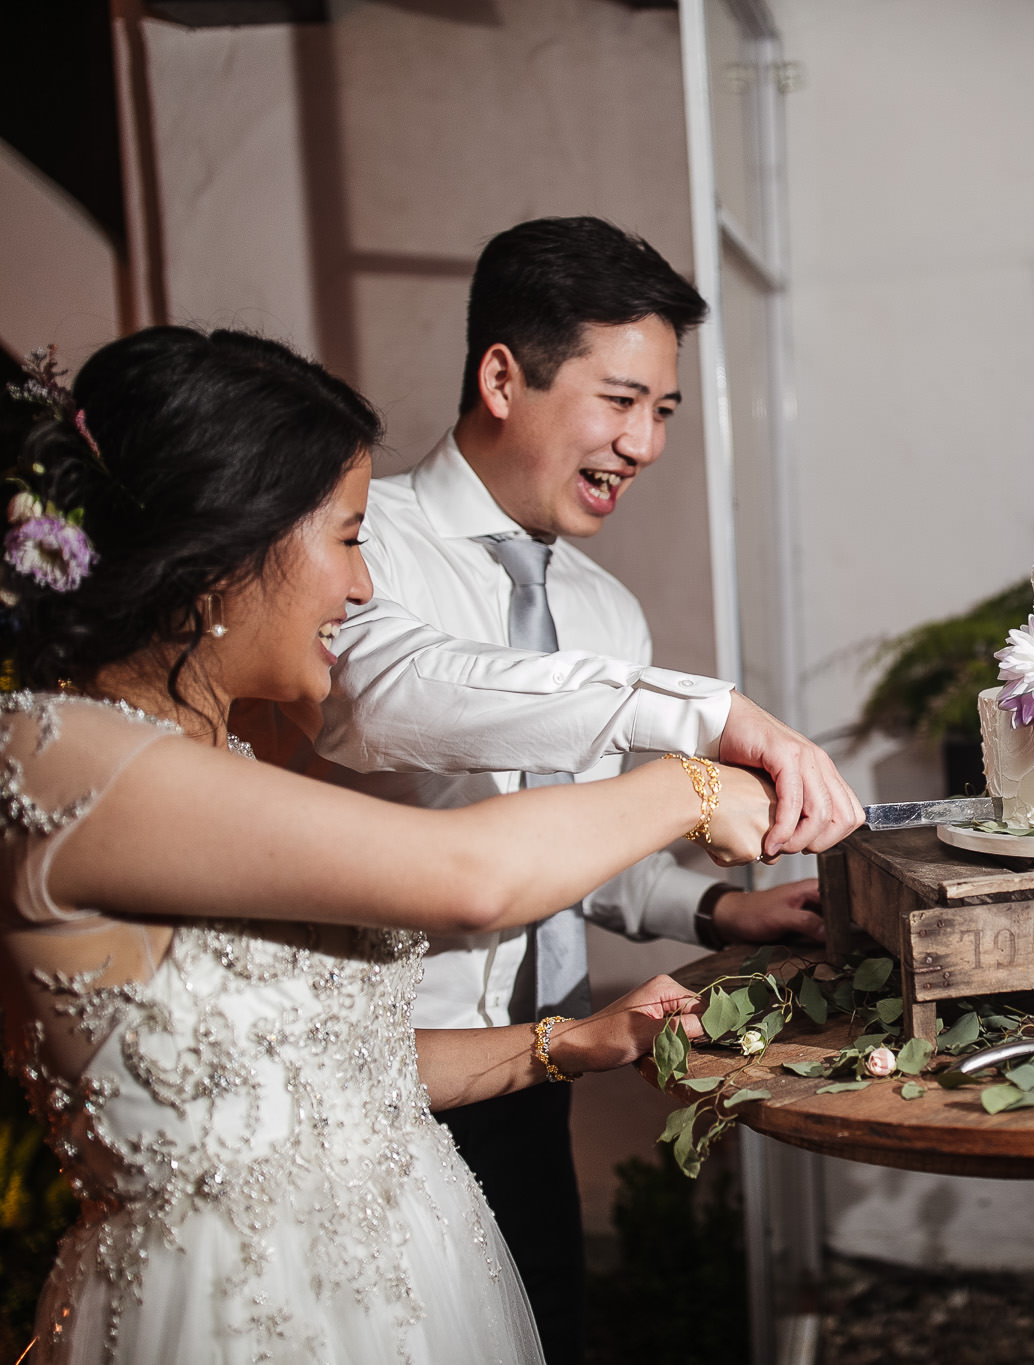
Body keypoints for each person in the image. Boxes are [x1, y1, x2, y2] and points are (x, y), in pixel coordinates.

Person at [0, 327, 772, 1363]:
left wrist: (565, 1043)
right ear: (230, 545)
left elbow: (319, 1080)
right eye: (348, 537)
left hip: (410, 1278)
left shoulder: (212, 755)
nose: (362, 587)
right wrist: (688, 781)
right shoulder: (65, 756)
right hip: (242, 1319)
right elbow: (467, 877)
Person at [302, 216, 864, 1363]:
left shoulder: (606, 614)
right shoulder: (365, 549)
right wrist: (700, 716)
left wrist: (714, 910)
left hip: (546, 1063)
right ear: (502, 377)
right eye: (620, 400)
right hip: (386, 1074)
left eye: (662, 411)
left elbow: (581, 855)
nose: (646, 444)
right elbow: (393, 698)